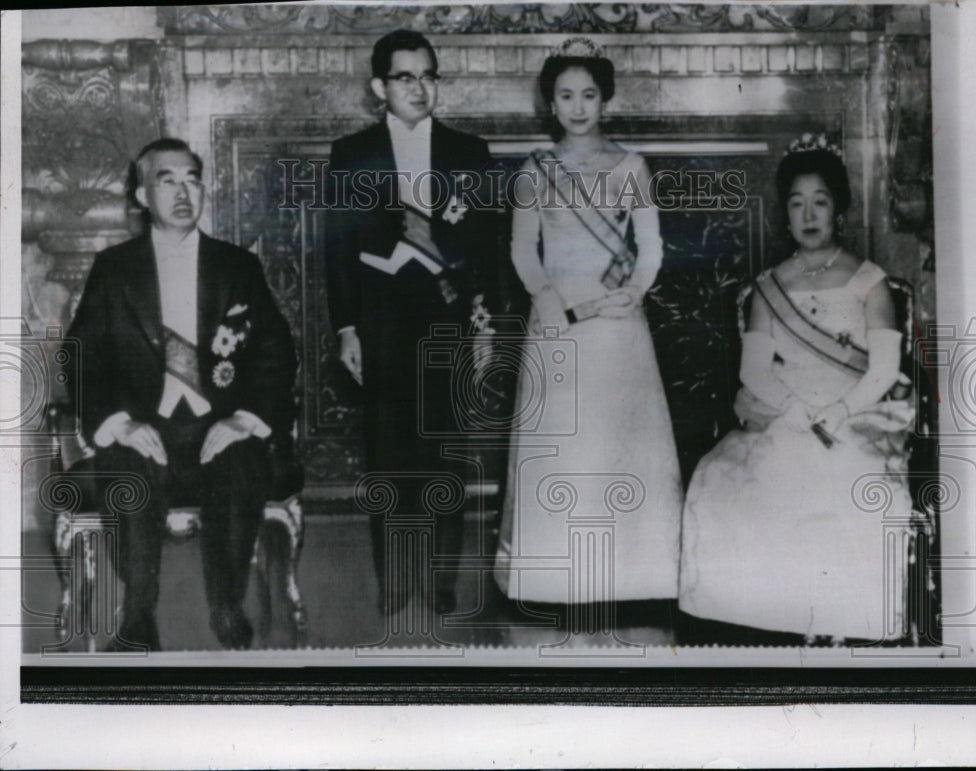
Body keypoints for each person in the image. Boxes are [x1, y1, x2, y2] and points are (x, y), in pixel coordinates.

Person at [678, 136, 914, 643]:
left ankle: (847, 622)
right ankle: (772, 622)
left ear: (839, 210)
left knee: (847, 479)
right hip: (784, 412)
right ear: (785, 214)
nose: (808, 214)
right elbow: (755, 371)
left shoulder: (869, 282)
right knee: (729, 478)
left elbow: (884, 369)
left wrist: (837, 409)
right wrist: (793, 410)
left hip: (855, 411)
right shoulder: (768, 286)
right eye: (796, 202)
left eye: (820, 201)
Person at [65, 138, 297, 650]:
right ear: (143, 196)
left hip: (218, 423)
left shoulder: (238, 267)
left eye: (192, 178)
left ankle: (226, 605)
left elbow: (275, 354)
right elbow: (81, 355)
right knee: (127, 463)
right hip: (144, 423)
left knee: (240, 460)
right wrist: (118, 422)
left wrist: (245, 419)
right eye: (166, 180)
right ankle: (139, 612)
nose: (182, 191)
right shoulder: (114, 269)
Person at [493, 38, 684, 607]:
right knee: (564, 439)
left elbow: (650, 247)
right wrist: (546, 299)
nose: (578, 107)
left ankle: (635, 575)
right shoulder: (534, 171)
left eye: (589, 95)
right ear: (550, 104)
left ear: (606, 100)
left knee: (616, 438)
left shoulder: (630, 166)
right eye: (566, 96)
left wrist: (634, 292)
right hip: (556, 315)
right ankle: (555, 576)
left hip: (618, 319)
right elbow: (523, 251)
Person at [325, 30, 495, 616]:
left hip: (445, 311)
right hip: (379, 319)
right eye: (404, 77)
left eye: (428, 76)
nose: (419, 89)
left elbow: (485, 244)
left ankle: (441, 578)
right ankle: (396, 580)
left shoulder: (469, 153)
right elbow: (338, 248)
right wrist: (346, 328)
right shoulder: (352, 154)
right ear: (379, 87)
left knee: (445, 450)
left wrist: (479, 321)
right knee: (388, 452)